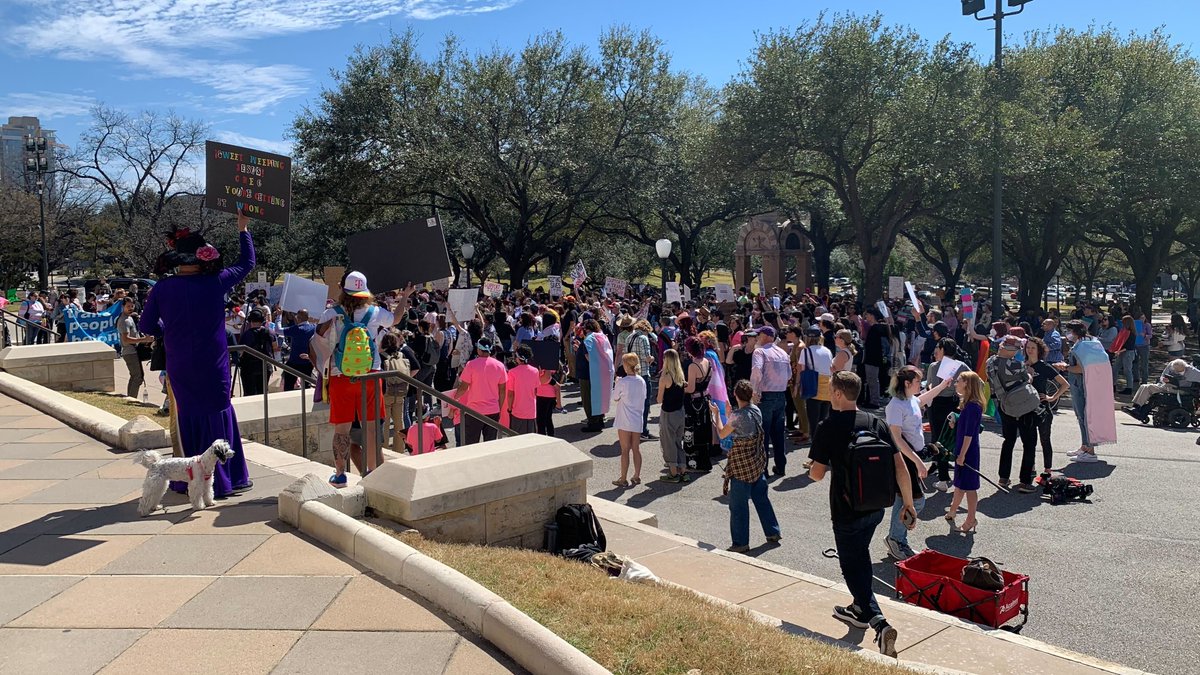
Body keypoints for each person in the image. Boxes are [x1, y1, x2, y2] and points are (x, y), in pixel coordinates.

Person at [139, 210, 256, 498]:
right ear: (204, 256)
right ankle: (228, 478)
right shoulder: (216, 281)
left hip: (180, 362)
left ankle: (185, 480)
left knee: (187, 415)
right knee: (218, 411)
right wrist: (243, 229)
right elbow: (247, 262)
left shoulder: (163, 288)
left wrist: (168, 329)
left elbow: (146, 325)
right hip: (213, 362)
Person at [807, 371, 915, 658]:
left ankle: (880, 623)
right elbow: (900, 466)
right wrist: (908, 503)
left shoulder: (828, 426)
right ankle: (857, 610)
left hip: (846, 510)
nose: (830, 395)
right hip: (876, 506)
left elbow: (816, 475)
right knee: (861, 557)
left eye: (831, 391)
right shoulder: (875, 422)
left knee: (852, 567)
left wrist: (814, 465)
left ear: (840, 394)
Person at [316, 272, 409, 485]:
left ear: (343, 290)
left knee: (342, 430)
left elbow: (319, 343)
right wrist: (405, 296)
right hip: (370, 375)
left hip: (341, 376)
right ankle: (375, 476)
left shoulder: (330, 313)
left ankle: (340, 475)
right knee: (371, 427)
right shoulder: (376, 313)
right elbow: (396, 319)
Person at [884, 365, 954, 560]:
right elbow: (896, 438)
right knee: (916, 501)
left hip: (912, 458)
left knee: (903, 499)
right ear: (907, 383)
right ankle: (895, 538)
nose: (920, 385)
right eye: (917, 382)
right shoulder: (895, 405)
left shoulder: (910, 400)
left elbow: (923, 399)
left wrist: (942, 386)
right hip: (904, 459)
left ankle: (897, 540)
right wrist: (917, 462)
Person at [714, 379, 781, 553]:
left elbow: (722, 433)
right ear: (751, 395)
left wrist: (716, 416)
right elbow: (743, 423)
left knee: (738, 506)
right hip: (756, 462)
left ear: (735, 395)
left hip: (741, 466)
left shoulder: (737, 416)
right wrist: (731, 414)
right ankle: (773, 531)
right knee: (761, 499)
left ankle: (740, 542)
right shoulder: (755, 410)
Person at [986, 335, 1041, 493]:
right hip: (1024, 406)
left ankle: (1003, 477)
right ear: (1012, 350)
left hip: (1004, 406)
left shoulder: (990, 362)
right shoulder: (1017, 364)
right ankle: (1025, 481)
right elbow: (1027, 380)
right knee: (1029, 443)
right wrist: (1030, 374)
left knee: (1008, 441)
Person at [1056, 320, 1115, 463]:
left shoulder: (1080, 346)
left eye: (1068, 331)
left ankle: (1090, 450)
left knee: (1083, 416)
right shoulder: (1093, 342)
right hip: (1091, 383)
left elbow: (1081, 368)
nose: (1067, 334)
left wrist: (1065, 367)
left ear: (1074, 332)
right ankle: (1084, 446)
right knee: (1085, 416)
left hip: (1080, 384)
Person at [945, 372, 987, 534]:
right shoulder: (969, 405)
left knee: (969, 487)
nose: (956, 384)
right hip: (964, 449)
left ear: (967, 384)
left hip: (968, 451)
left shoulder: (973, 406)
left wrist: (962, 455)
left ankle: (971, 518)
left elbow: (969, 434)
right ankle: (953, 510)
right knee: (960, 484)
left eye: (958, 381)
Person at [926, 338, 970, 492]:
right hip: (955, 404)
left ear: (943, 349)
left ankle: (943, 478)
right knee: (954, 438)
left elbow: (930, 386)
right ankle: (957, 474)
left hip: (937, 404)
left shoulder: (934, 366)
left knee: (939, 439)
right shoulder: (962, 366)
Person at [1025, 336, 1069, 474]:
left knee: (1045, 439)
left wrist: (1052, 397)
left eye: (1033, 348)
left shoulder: (1044, 366)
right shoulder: (1022, 366)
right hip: (1027, 408)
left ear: (1039, 350)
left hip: (1043, 408)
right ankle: (1030, 467)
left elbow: (1064, 384)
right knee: (1029, 441)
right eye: (1028, 347)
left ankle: (1047, 469)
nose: (1030, 350)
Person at [750, 326, 791, 475]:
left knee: (763, 434)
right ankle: (781, 466)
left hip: (766, 395)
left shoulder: (759, 351)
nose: (757, 337)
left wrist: (754, 391)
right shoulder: (782, 352)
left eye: (759, 334)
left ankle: (763, 469)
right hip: (780, 394)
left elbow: (756, 370)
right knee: (778, 433)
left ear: (765, 336)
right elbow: (788, 376)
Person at [455, 336, 508, 444]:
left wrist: (454, 397)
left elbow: (463, 387)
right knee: (490, 444)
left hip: (474, 411)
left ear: (479, 349)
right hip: (493, 410)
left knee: (471, 444)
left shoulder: (471, 365)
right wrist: (499, 407)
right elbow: (502, 390)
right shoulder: (500, 366)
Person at [1122, 358, 1200, 423]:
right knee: (1145, 386)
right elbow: (1162, 376)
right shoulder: (1171, 365)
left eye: (1180, 371)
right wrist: (1164, 380)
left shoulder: (1192, 371)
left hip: (1181, 390)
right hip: (1167, 386)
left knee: (1152, 389)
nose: (1178, 373)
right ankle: (1136, 407)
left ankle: (1140, 411)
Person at [611, 352, 646, 487]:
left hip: (625, 419)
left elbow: (615, 398)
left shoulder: (623, 382)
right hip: (637, 417)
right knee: (636, 448)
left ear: (626, 365)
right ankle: (637, 476)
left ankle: (623, 478)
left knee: (625, 450)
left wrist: (617, 383)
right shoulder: (641, 381)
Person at [683, 336, 717, 472]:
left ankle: (694, 464)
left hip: (694, 403)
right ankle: (705, 461)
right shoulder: (707, 362)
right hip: (705, 400)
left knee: (691, 433)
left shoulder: (693, 366)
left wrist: (680, 387)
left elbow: (690, 388)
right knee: (704, 431)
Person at [657, 349, 688, 483]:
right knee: (678, 442)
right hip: (680, 412)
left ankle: (673, 473)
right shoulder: (681, 375)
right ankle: (683, 471)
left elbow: (659, 399)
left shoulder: (665, 377)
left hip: (668, 413)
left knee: (668, 443)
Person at [117, 298, 152, 398]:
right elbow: (126, 339)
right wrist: (143, 339)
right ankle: (132, 399)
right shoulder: (124, 320)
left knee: (135, 376)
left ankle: (130, 398)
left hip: (133, 351)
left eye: (132, 306)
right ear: (123, 306)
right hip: (129, 352)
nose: (131, 308)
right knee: (137, 377)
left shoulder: (130, 318)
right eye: (128, 306)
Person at [239, 309, 278, 397]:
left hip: (249, 367)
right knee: (263, 393)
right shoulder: (270, 332)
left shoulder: (246, 334)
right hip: (265, 366)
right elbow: (275, 347)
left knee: (250, 394)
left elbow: (240, 352)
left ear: (250, 321)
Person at [505, 344, 540, 433]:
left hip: (517, 410)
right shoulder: (535, 371)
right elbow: (536, 390)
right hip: (531, 410)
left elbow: (510, 394)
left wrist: (509, 408)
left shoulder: (512, 372)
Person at [861, 309, 890, 408]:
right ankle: (871, 399)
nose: (866, 317)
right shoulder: (877, 328)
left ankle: (874, 401)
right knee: (871, 380)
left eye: (868, 314)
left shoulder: (876, 328)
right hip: (875, 358)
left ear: (872, 315)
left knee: (872, 380)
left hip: (873, 358)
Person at [281, 309, 316, 391]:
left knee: (288, 385)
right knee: (306, 385)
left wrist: (279, 316)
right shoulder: (314, 327)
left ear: (298, 318)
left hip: (294, 361)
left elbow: (278, 330)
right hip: (308, 361)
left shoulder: (296, 329)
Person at [535, 366, 561, 437]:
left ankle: (543, 438)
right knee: (548, 418)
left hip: (543, 395)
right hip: (551, 394)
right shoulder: (551, 364)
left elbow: (545, 379)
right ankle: (551, 435)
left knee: (541, 420)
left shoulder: (545, 366)